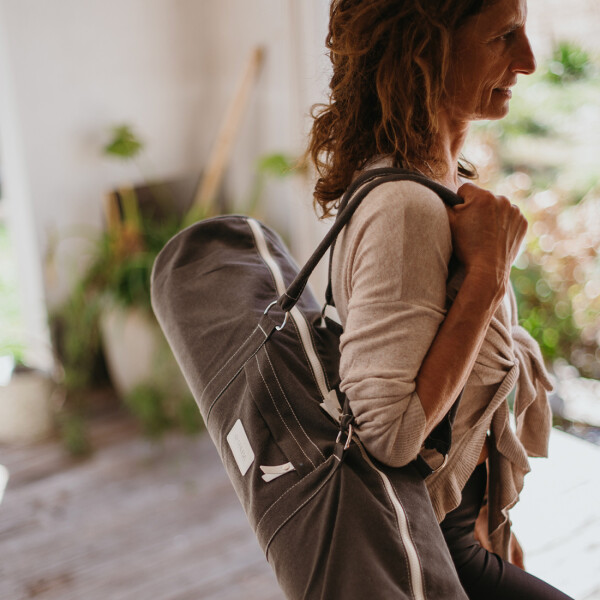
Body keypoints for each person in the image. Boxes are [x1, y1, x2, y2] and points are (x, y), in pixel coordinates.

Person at [307, 0, 574, 598]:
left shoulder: (434, 183)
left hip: (466, 537)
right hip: (437, 558)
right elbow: (390, 434)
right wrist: (487, 275)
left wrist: (492, 524)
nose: (527, 62)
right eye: (504, 37)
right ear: (425, 52)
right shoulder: (407, 210)